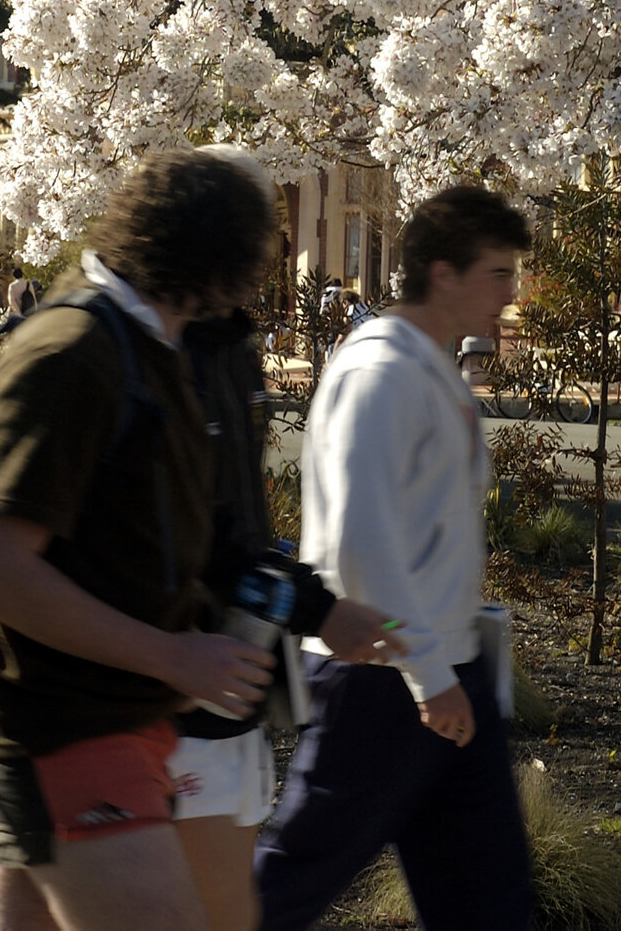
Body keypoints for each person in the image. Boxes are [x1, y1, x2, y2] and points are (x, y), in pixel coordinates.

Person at [0, 148, 281, 931]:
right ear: (218, 255)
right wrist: (170, 655)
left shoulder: (152, 350)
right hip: (62, 730)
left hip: (109, 728)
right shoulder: (72, 353)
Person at [255, 185, 536, 931]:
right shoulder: (379, 372)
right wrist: (430, 678)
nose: (511, 294)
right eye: (498, 274)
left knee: (491, 903)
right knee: (281, 892)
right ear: (443, 273)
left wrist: (450, 676)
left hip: (443, 676)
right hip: (382, 683)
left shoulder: (429, 368)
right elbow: (361, 542)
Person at [173, 146, 406, 931]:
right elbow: (197, 536)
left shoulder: (231, 347)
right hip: (175, 693)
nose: (271, 247)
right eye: (256, 228)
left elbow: (238, 525)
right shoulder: (149, 351)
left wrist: (303, 604)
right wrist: (314, 608)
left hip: (231, 687)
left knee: (232, 906)